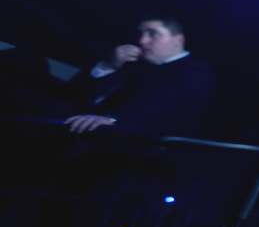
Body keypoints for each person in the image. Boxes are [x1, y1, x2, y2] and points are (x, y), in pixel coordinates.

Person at [58, 15, 215, 138]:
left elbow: (163, 103)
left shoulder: (194, 71)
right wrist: (109, 65)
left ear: (178, 40)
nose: (142, 41)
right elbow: (72, 94)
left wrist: (113, 119)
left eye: (153, 34)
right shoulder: (132, 64)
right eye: (140, 34)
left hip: (139, 155)